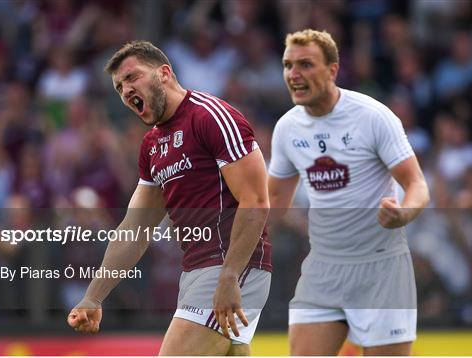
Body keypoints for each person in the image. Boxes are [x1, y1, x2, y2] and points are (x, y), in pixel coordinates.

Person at [66, 40, 272, 356]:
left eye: (132, 77)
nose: (125, 90)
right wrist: (94, 296)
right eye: (119, 87)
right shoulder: (152, 146)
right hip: (196, 272)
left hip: (230, 266)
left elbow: (256, 201)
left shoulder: (210, 116)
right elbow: (135, 229)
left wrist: (231, 276)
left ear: (164, 73)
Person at [268, 29, 429, 356]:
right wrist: (232, 253)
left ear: (332, 70)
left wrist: (404, 213)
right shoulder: (287, 128)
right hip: (323, 269)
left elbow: (416, 184)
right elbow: (272, 202)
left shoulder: (373, 116)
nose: (293, 74)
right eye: (288, 65)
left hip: (381, 269)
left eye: (305, 65)